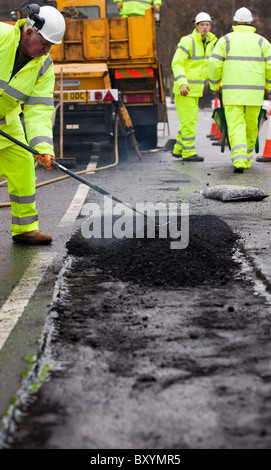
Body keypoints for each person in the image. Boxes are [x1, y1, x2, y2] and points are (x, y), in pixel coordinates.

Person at [0, 4, 65, 244]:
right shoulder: (1, 37)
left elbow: (39, 109)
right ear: (29, 33)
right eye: (45, 44)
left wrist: (43, 148)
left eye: (51, 46)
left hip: (7, 122)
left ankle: (25, 228)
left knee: (23, 165)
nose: (47, 51)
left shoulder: (44, 65)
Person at [208, 7, 271, 173]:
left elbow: (214, 64)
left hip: (232, 93)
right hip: (255, 93)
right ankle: (247, 158)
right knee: (251, 126)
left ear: (235, 23)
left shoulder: (226, 40)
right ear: (251, 23)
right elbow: (270, 66)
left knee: (236, 126)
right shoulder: (262, 42)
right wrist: (267, 86)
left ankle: (239, 159)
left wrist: (215, 85)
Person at [171, 12, 217, 161]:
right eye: (202, 24)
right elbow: (177, 63)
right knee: (189, 121)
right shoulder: (188, 41)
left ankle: (178, 149)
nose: (205, 27)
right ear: (196, 26)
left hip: (196, 90)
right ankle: (188, 153)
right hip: (185, 90)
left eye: (207, 24)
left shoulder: (210, 43)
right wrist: (182, 83)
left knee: (188, 121)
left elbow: (209, 66)